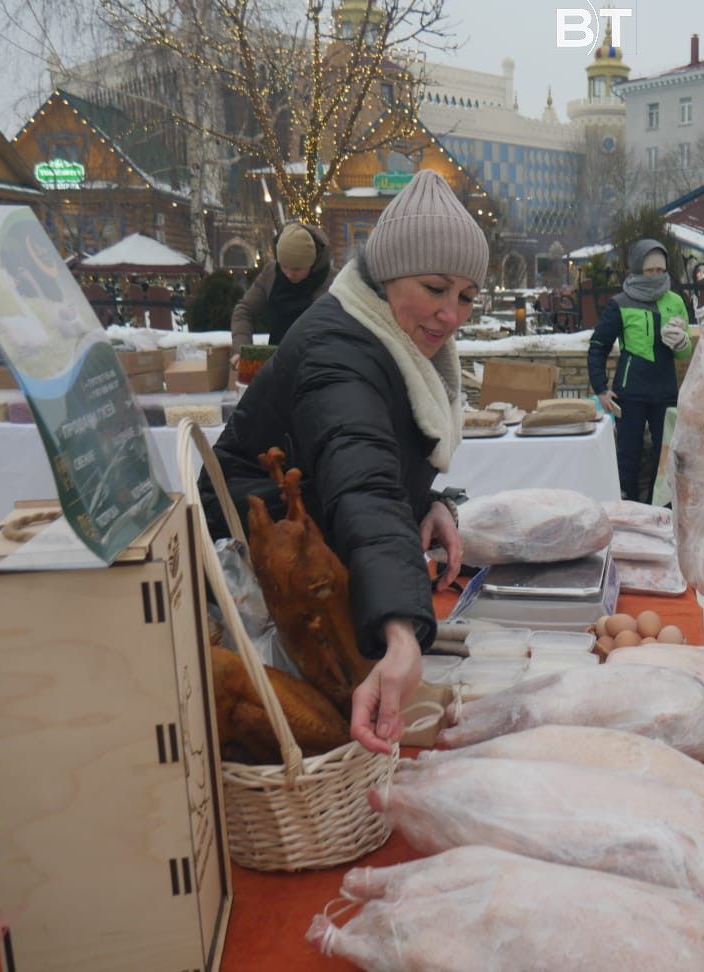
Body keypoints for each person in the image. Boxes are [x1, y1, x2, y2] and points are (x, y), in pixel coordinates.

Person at [201, 170, 487, 754]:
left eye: (465, 296)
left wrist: (426, 502)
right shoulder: (340, 349)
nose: (451, 314)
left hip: (317, 550)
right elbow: (362, 484)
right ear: (385, 276)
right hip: (256, 574)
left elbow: (374, 460)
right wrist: (402, 632)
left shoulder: (392, 338)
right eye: (435, 288)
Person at [587, 239, 692, 501]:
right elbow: (598, 346)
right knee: (628, 455)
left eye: (660, 270)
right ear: (636, 270)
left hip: (665, 390)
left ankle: (663, 510)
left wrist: (682, 342)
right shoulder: (620, 303)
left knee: (666, 455)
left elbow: (684, 352)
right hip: (631, 391)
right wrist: (601, 388)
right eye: (649, 271)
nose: (656, 276)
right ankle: (628, 508)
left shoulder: (675, 301)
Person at [229, 221, 335, 370]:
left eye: (297, 269)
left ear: (312, 263)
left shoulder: (333, 283)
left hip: (316, 369)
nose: (289, 274)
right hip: (276, 365)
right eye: (284, 266)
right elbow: (244, 310)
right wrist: (243, 351)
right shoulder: (271, 273)